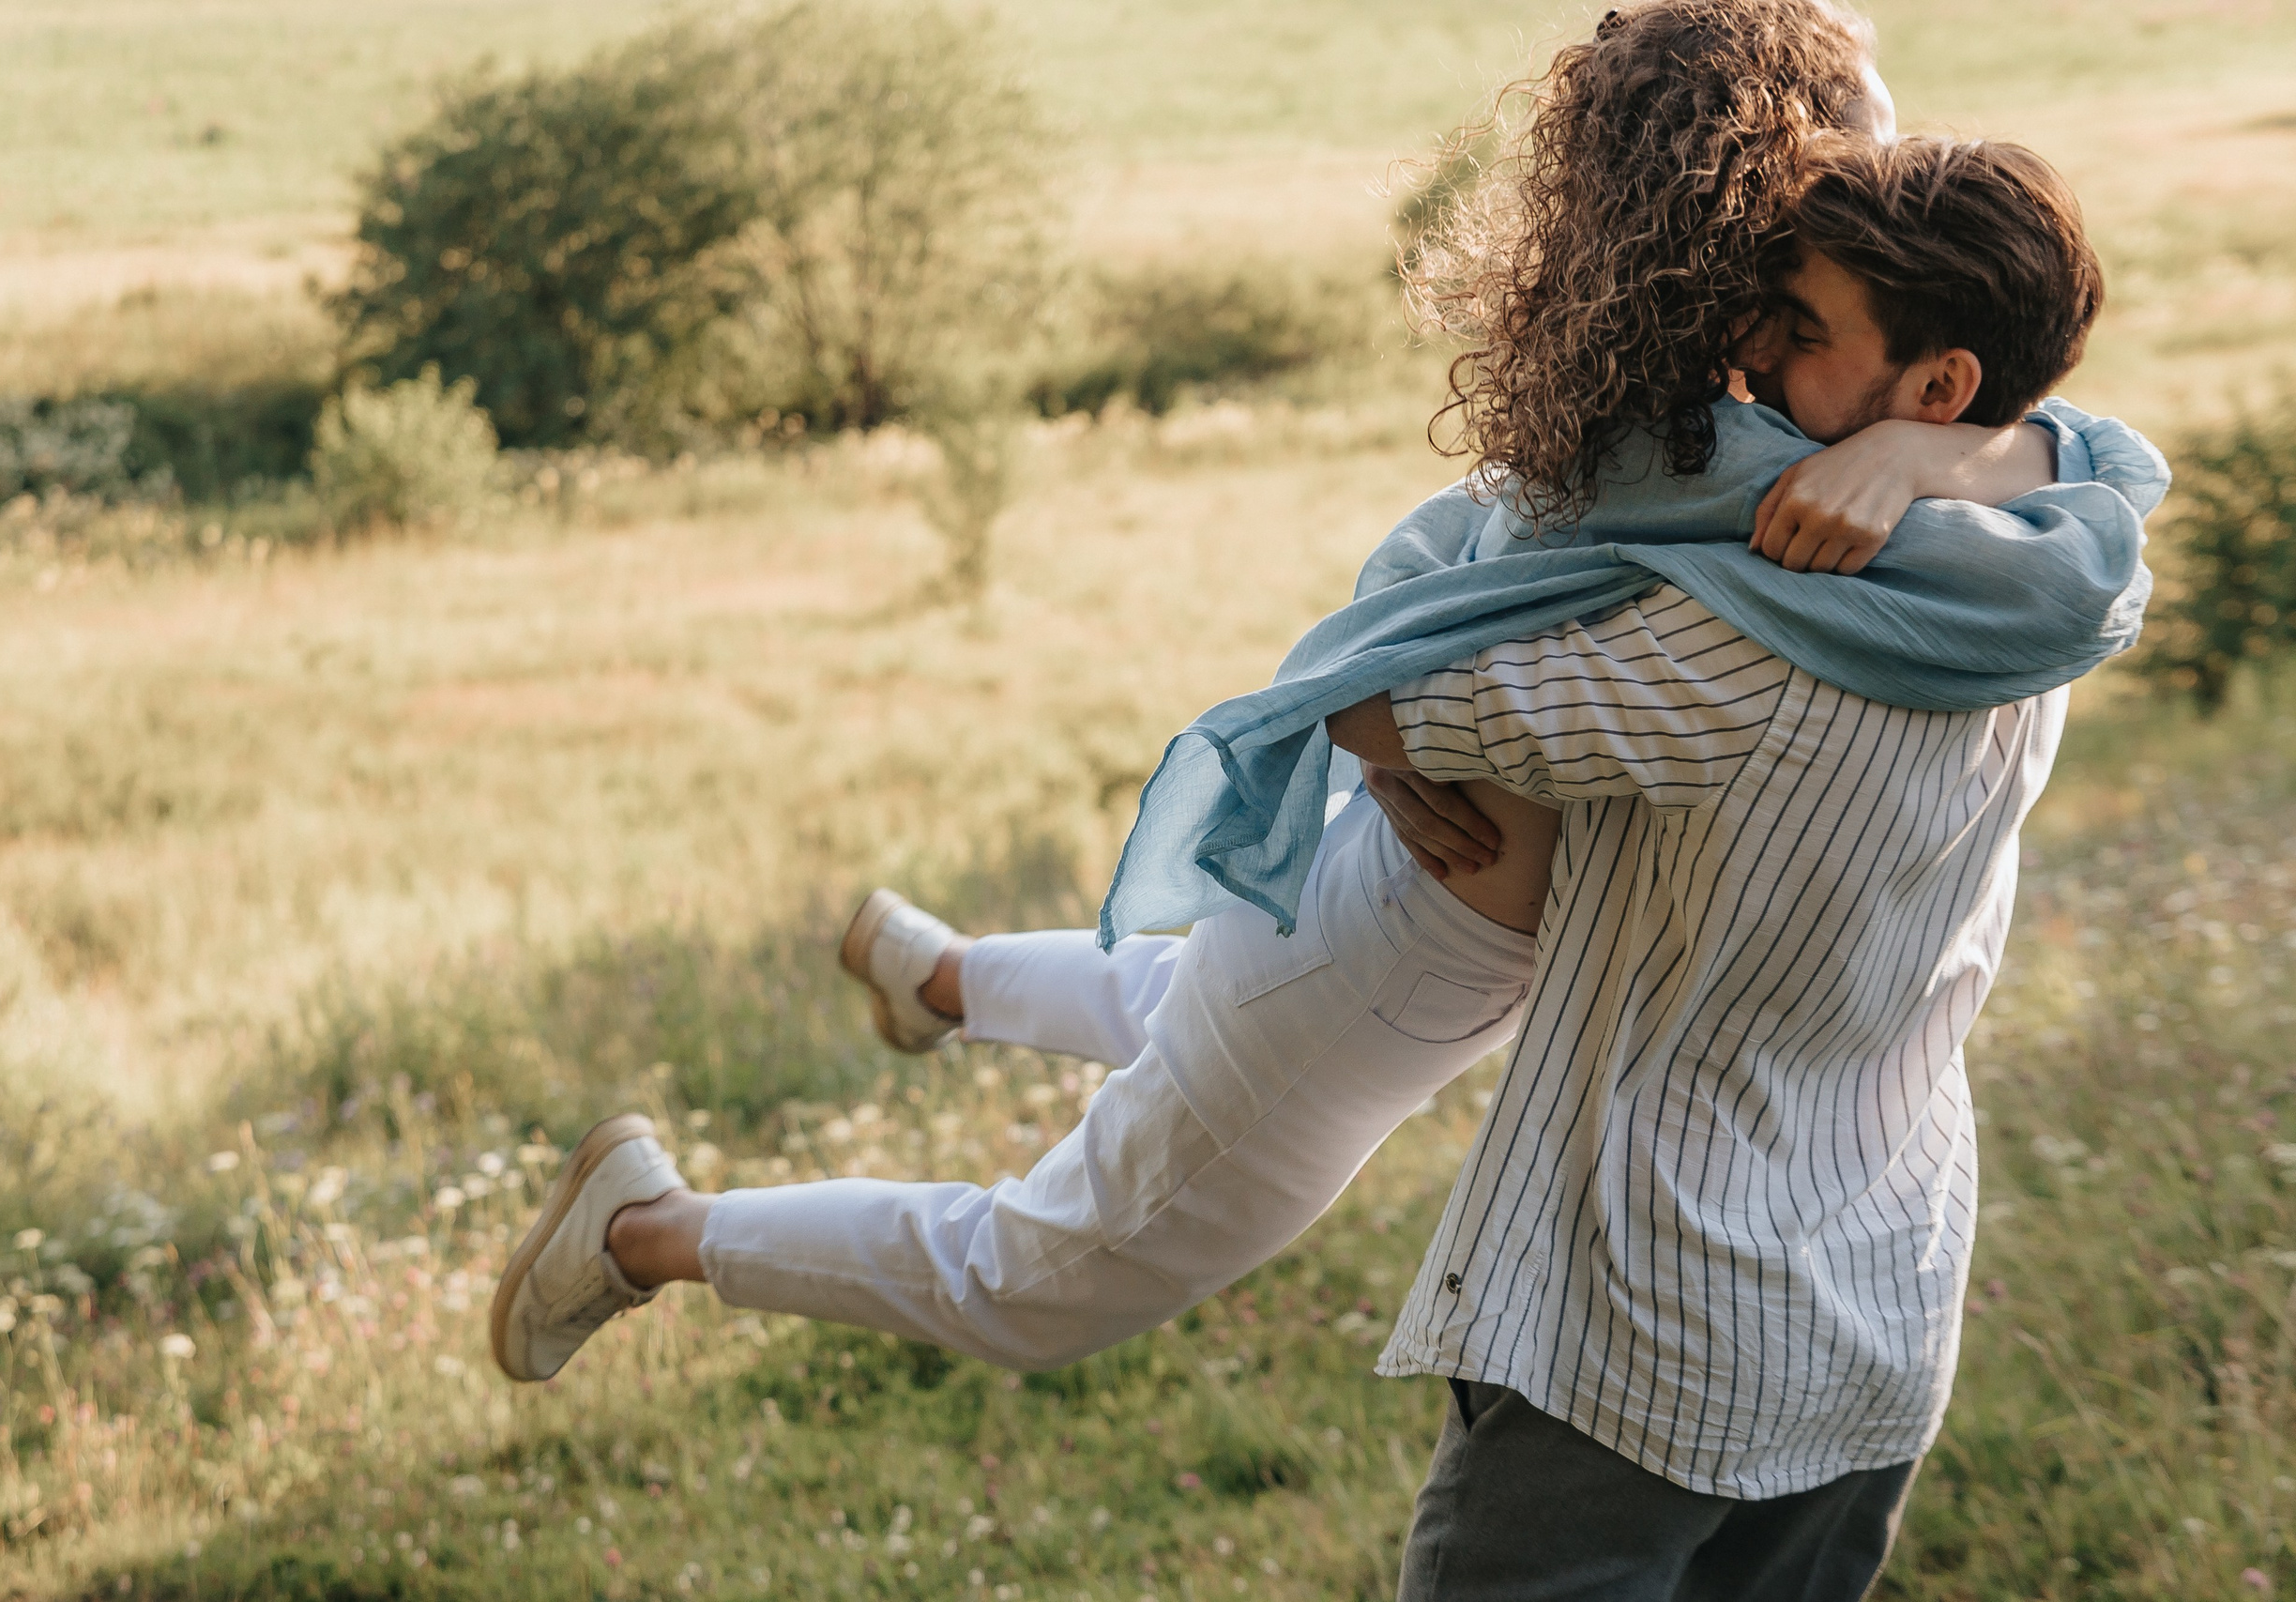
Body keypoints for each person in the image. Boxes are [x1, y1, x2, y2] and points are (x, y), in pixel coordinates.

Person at [493, 29, 2162, 1602]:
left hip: (1419, 929)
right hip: (1406, 947)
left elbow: (2075, 483)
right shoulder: (1786, 537)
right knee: (1040, 1277)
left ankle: (940, 982)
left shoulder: (1786, 467)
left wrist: (1952, 461)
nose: (1881, 146)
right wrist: (1966, 464)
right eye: (1854, 128)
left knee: (1194, 997)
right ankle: (645, 1229)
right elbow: (2092, 534)